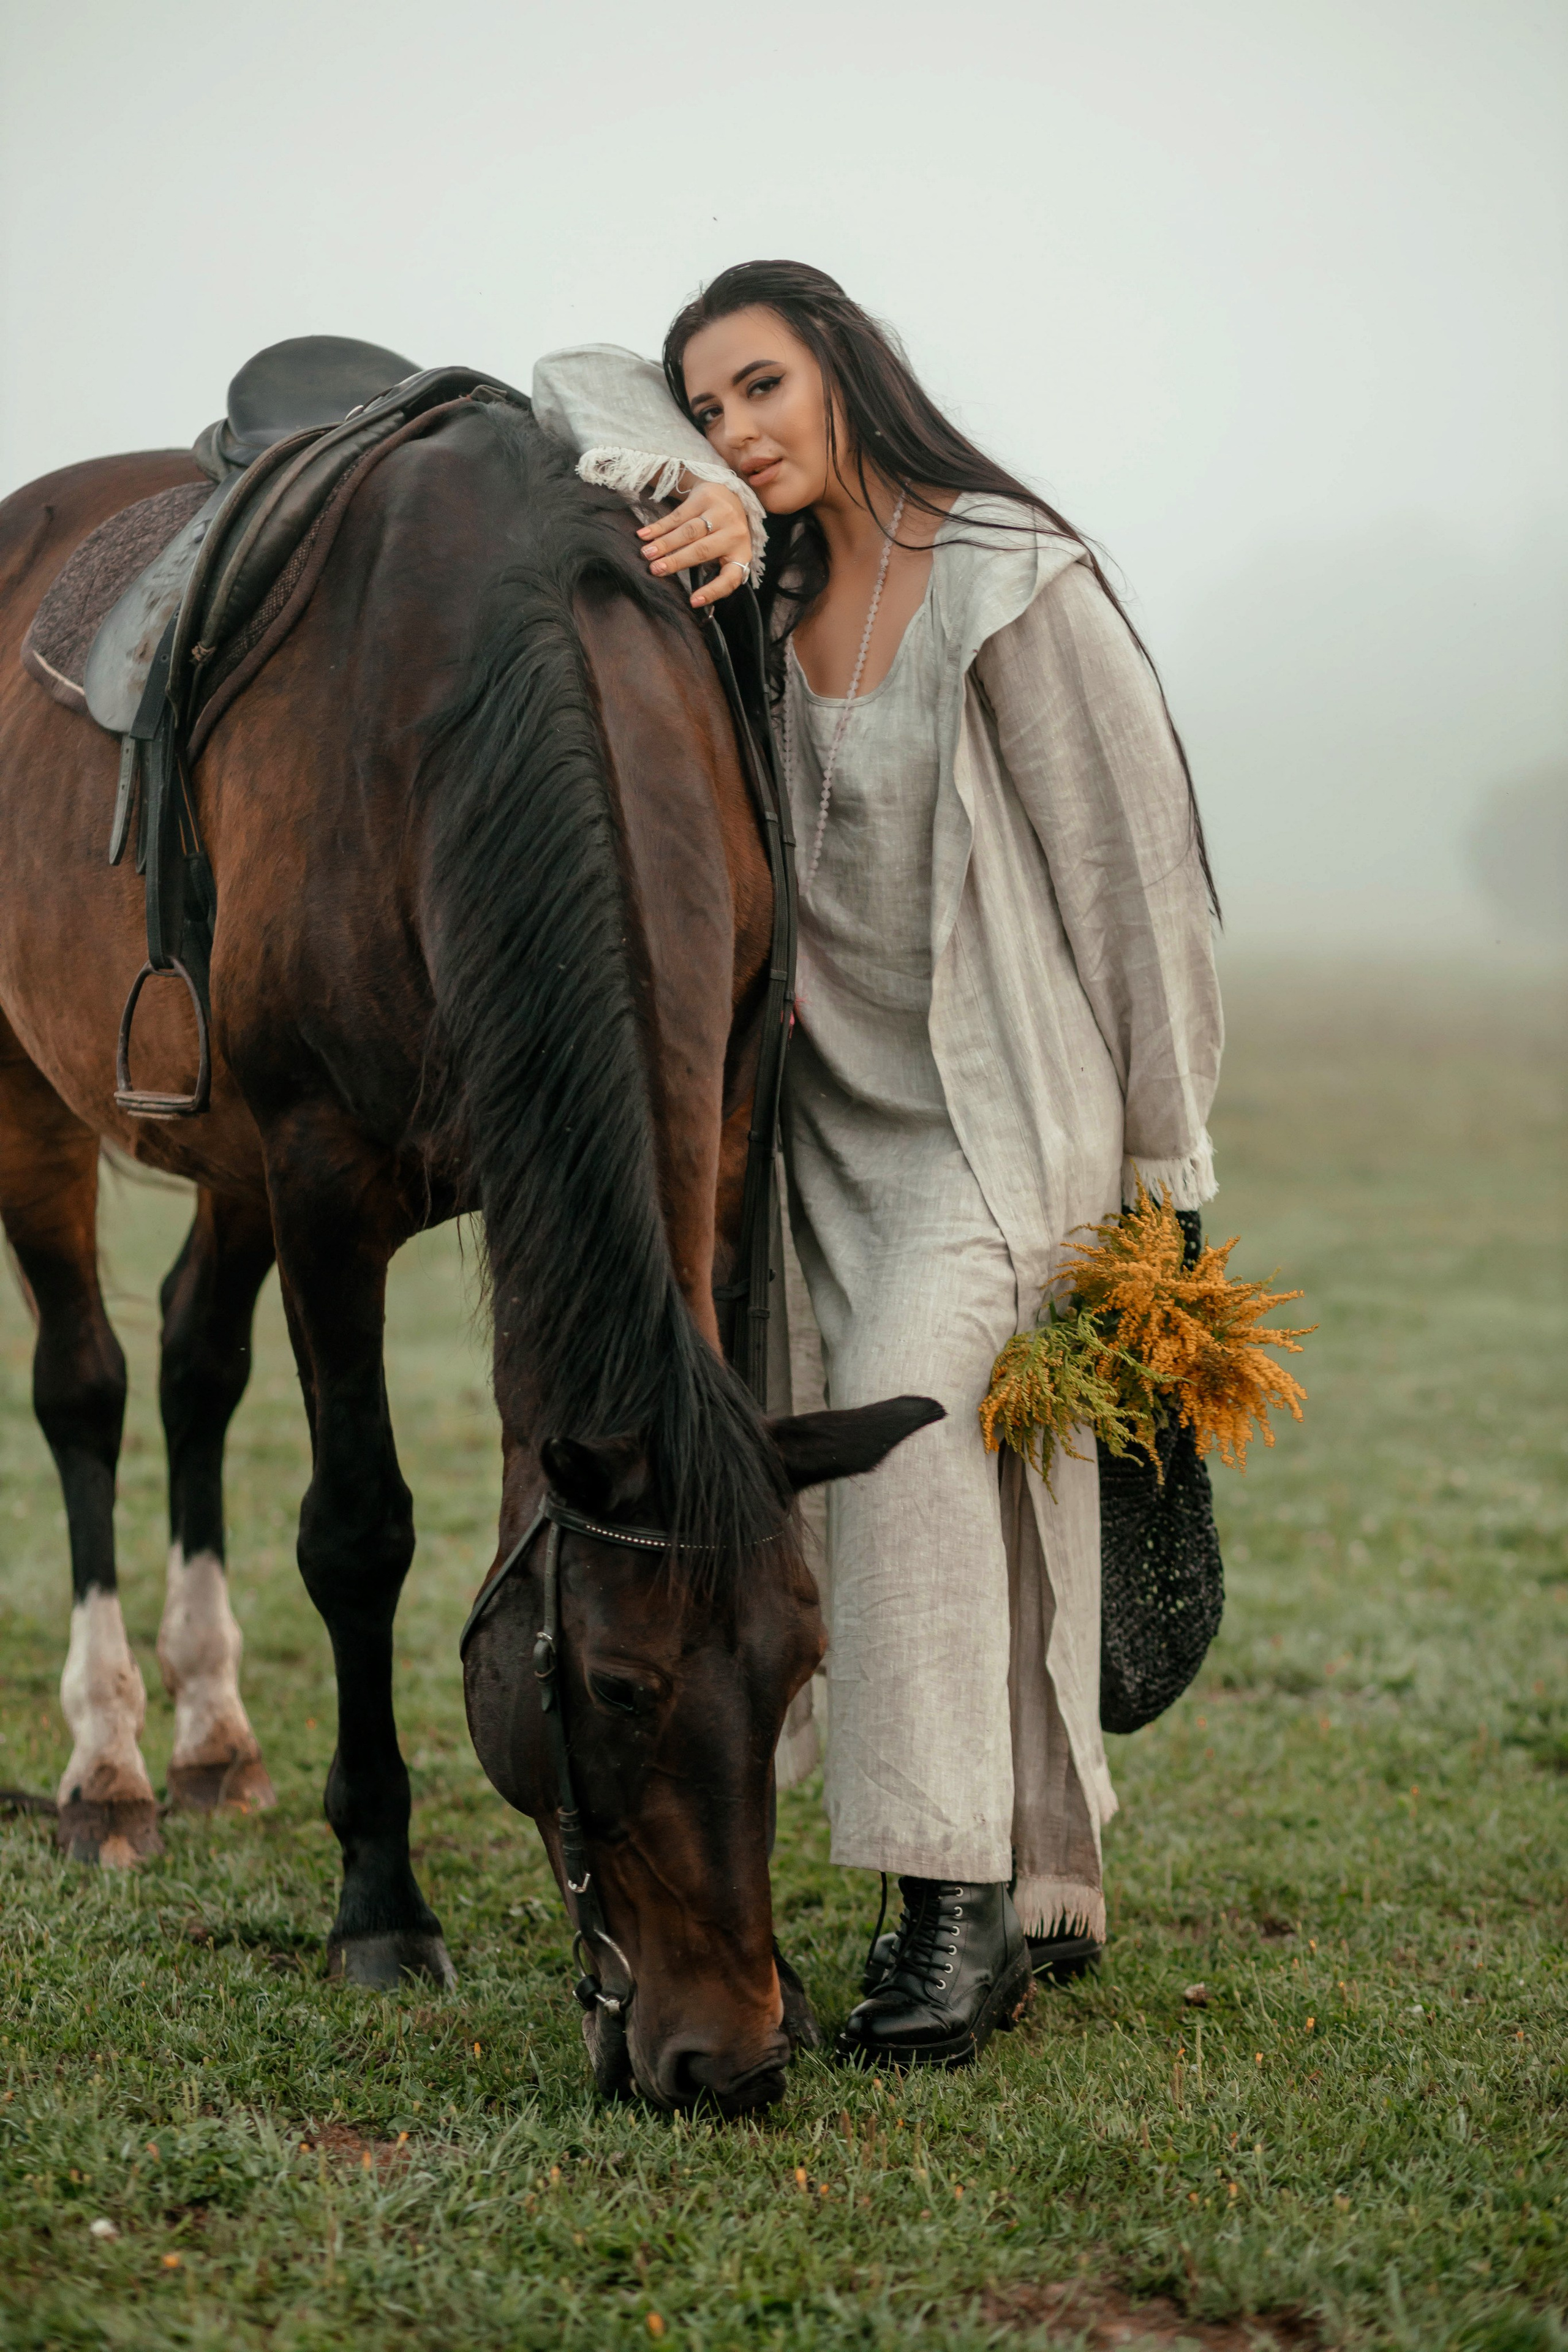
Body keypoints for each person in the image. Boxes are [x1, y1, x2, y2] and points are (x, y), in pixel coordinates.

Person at [531, 261, 1222, 2069]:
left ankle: (952, 1915)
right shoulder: (748, 584)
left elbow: (1138, 889)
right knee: (849, 1481)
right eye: (709, 410)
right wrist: (675, 475)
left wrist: (1177, 1173)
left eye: (764, 389)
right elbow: (568, 374)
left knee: (908, 1430)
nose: (738, 432)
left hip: (1003, 1126)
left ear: (846, 370)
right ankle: (1026, 1870)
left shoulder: (1011, 578)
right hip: (810, 1143)